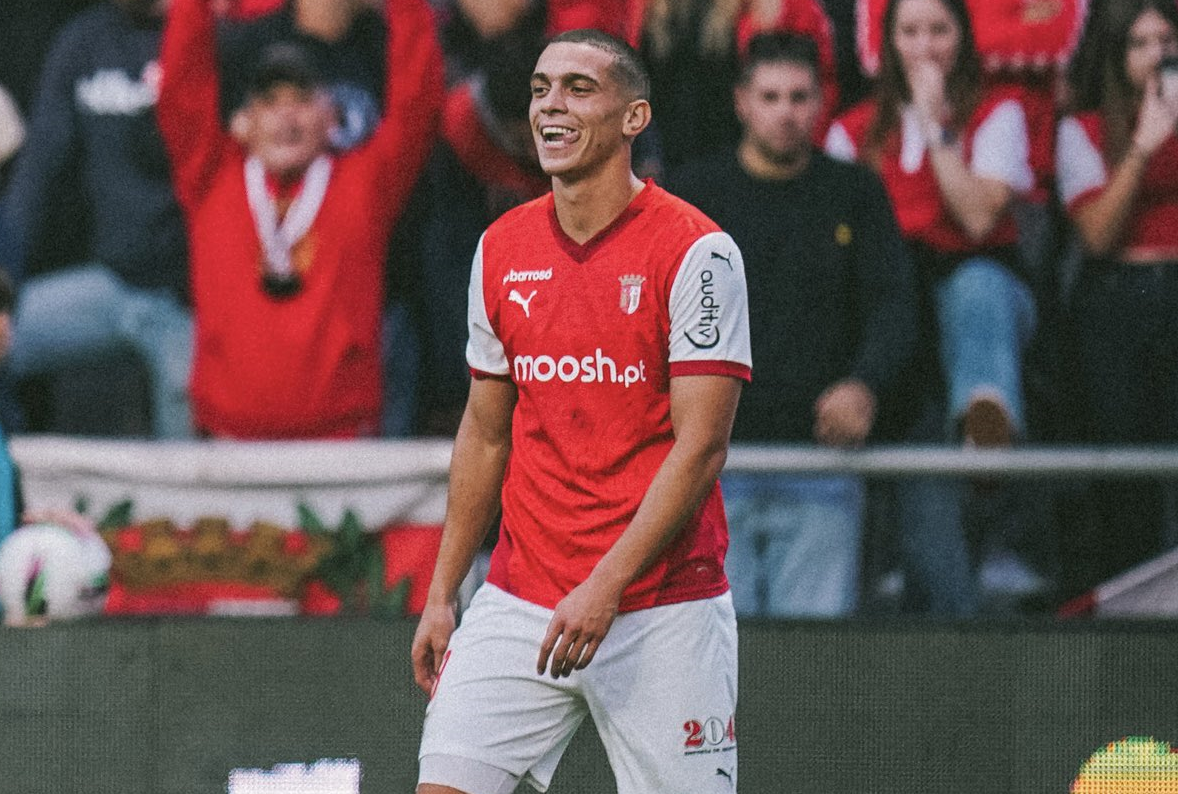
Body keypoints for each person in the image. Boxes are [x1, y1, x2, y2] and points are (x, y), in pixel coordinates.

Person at [411, 28, 751, 794]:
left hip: (662, 605)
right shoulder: (501, 247)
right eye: (540, 90)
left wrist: (606, 586)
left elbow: (701, 447)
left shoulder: (699, 253)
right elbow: (485, 433)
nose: (550, 106)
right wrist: (442, 592)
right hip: (520, 596)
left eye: (578, 88)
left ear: (635, 118)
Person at [667, 31, 917, 617]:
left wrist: (864, 384)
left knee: (812, 658)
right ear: (741, 102)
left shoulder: (854, 192)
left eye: (799, 97)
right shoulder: (691, 196)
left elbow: (894, 304)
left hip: (822, 464)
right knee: (714, 655)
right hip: (709, 467)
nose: (785, 112)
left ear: (822, 101)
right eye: (771, 96)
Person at [824, 0, 1037, 615]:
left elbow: (977, 219)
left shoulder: (997, 113)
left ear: (962, 39)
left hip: (978, 295)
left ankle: (985, 418)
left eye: (938, 30)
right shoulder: (853, 130)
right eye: (910, 31)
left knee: (975, 288)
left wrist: (935, 124)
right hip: (897, 311)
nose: (924, 46)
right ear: (888, 42)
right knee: (929, 523)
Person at [156, 0, 442, 439]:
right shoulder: (211, 177)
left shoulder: (366, 183)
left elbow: (417, 100)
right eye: (270, 102)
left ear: (332, 119)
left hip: (340, 441)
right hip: (228, 441)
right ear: (245, 121)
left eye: (304, 100)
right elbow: (182, 88)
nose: (287, 116)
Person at [0, 0, 193, 439]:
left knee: (187, 447)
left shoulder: (199, 33)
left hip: (185, 299)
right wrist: (3, 284)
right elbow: (38, 173)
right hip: (110, 283)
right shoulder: (84, 42)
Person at [1055, 0, 1178, 598]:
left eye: (1166, 40)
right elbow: (1098, 235)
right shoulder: (1082, 129)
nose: (1157, 55)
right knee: (1129, 475)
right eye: (1139, 43)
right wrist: (1142, 148)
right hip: (1121, 299)